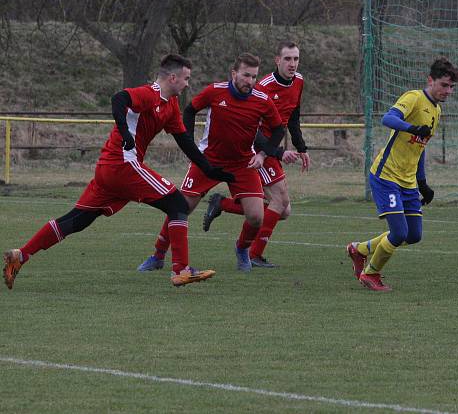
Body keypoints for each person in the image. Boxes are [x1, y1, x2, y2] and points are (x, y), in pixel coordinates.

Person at [2, 54, 234, 289]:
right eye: (186, 78)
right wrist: (124, 133)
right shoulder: (150, 93)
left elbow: (184, 141)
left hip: (109, 169)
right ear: (172, 78)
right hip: (122, 165)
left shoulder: (171, 105)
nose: (187, 84)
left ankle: (20, 255)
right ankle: (181, 270)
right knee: (178, 205)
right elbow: (118, 99)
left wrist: (209, 169)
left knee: (77, 220)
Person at [136, 53, 286, 274]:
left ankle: (242, 249)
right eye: (246, 75)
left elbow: (278, 129)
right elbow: (189, 111)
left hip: (242, 164)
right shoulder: (215, 91)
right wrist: (191, 147)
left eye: (254, 77)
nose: (250, 81)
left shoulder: (261, 100)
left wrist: (263, 155)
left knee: (256, 217)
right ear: (234, 73)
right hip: (208, 161)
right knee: (181, 207)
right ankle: (158, 255)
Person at [346, 58, 458, 291]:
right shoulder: (414, 98)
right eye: (444, 85)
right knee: (399, 232)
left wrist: (423, 184)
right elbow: (387, 118)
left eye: (451, 87)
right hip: (386, 175)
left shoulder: (436, 111)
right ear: (430, 80)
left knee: (414, 234)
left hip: (408, 182)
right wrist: (411, 127)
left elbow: (420, 148)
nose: (448, 91)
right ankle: (371, 274)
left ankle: (360, 250)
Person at [202, 41, 309, 268]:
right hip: (258, 146)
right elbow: (253, 128)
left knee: (283, 210)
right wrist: (276, 152)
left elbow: (294, 116)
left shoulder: (298, 81)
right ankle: (252, 254)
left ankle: (222, 204)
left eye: (296, 59)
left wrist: (301, 147)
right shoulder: (262, 86)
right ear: (277, 60)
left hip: (271, 147)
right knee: (279, 201)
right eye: (288, 59)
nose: (292, 64)